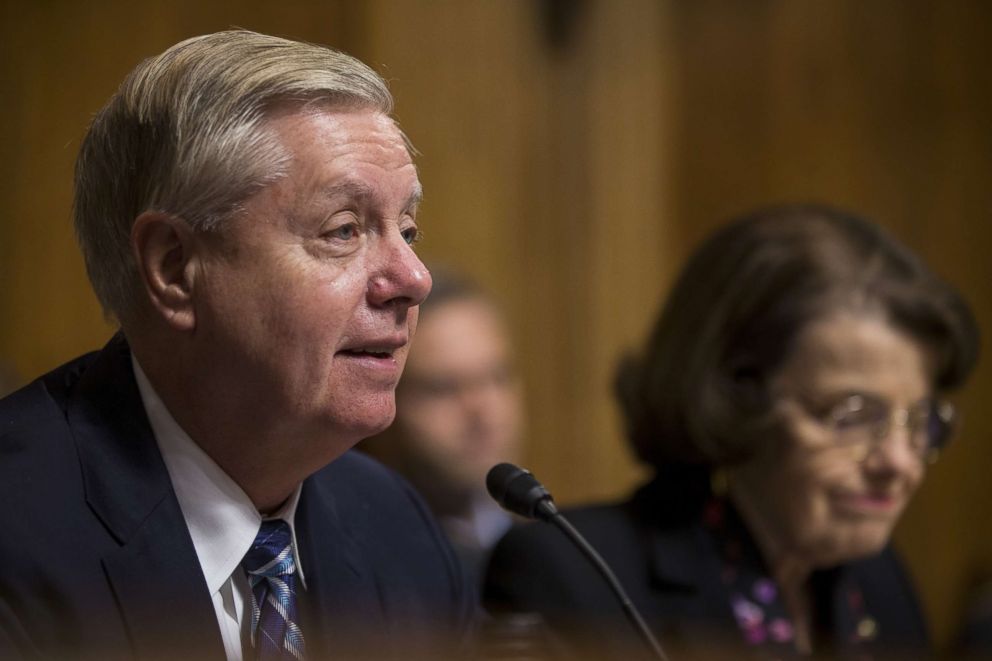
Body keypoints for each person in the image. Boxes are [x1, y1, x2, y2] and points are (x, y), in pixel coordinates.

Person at [0, 30, 473, 660]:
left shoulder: (397, 531)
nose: (414, 280)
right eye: (344, 230)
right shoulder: (15, 533)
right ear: (174, 268)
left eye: (407, 230)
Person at [484, 204, 980, 659]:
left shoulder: (877, 582)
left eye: (919, 421)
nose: (899, 461)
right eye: (851, 416)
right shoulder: (572, 576)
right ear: (735, 395)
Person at [363, 269, 525, 588]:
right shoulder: (358, 575)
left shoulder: (551, 547)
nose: (482, 411)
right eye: (444, 388)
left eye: (497, 377)